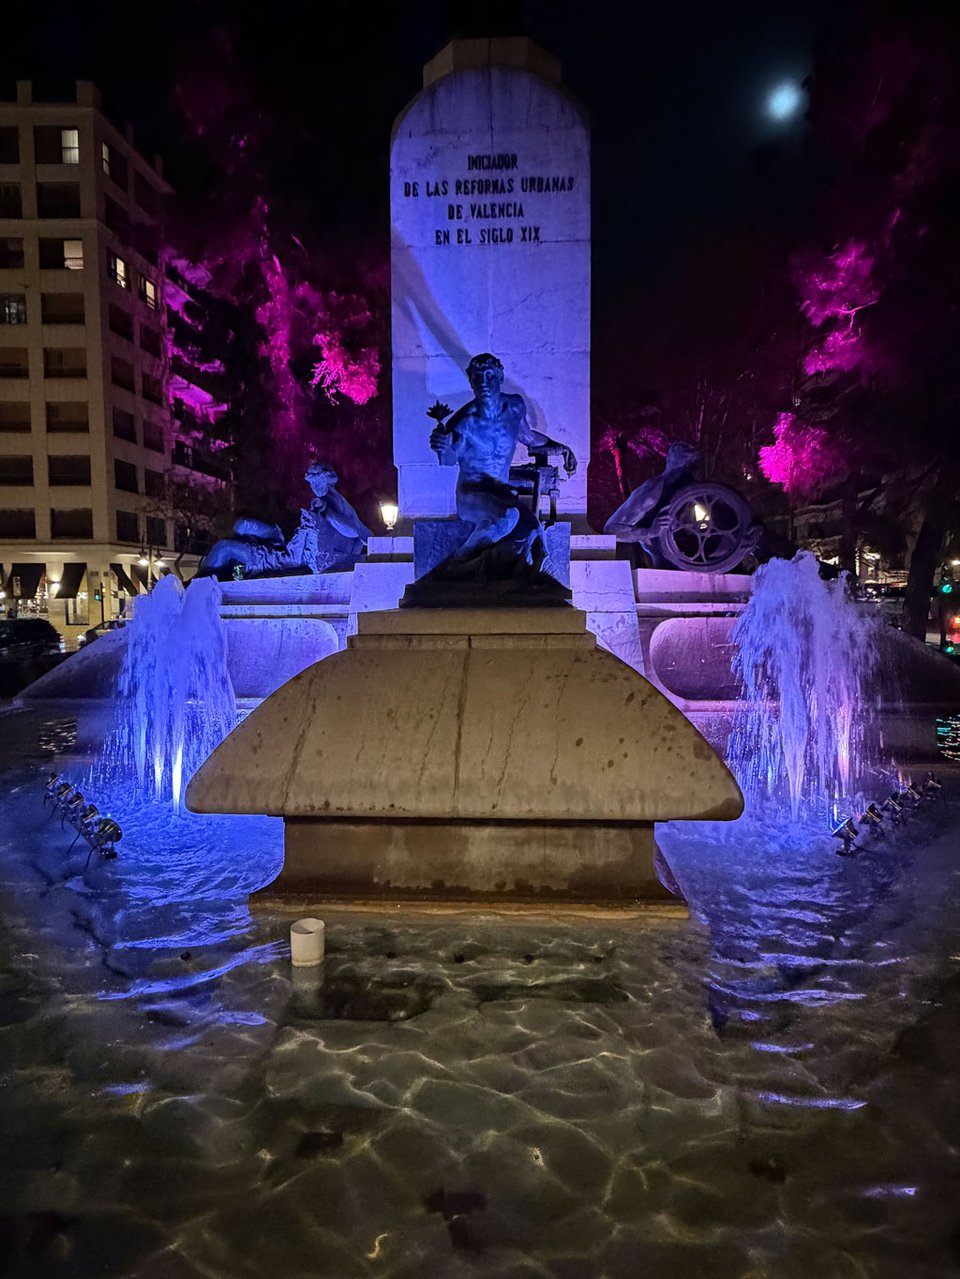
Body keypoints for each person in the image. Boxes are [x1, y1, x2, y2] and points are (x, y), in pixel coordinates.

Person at [429, 353, 575, 573]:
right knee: (508, 516)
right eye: (477, 377)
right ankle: (455, 565)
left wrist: (560, 447)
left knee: (536, 537)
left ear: (500, 377)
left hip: (503, 493)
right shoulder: (463, 422)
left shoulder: (514, 407)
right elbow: (448, 459)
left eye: (489, 375)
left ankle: (513, 584)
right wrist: (442, 446)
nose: (484, 383)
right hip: (472, 494)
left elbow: (529, 437)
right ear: (470, 380)